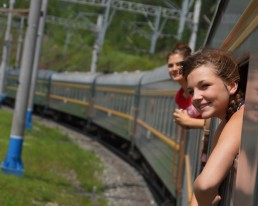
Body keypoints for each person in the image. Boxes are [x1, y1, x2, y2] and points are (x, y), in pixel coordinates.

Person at [181, 49, 245, 206]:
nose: (195, 97)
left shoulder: (241, 116)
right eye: (191, 91)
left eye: (205, 86)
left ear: (231, 86)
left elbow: (204, 185)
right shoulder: (226, 122)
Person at [167, 43, 205, 129]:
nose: (174, 69)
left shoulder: (202, 88)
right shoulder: (179, 97)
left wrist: (188, 121)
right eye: (170, 65)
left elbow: (216, 121)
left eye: (178, 64)